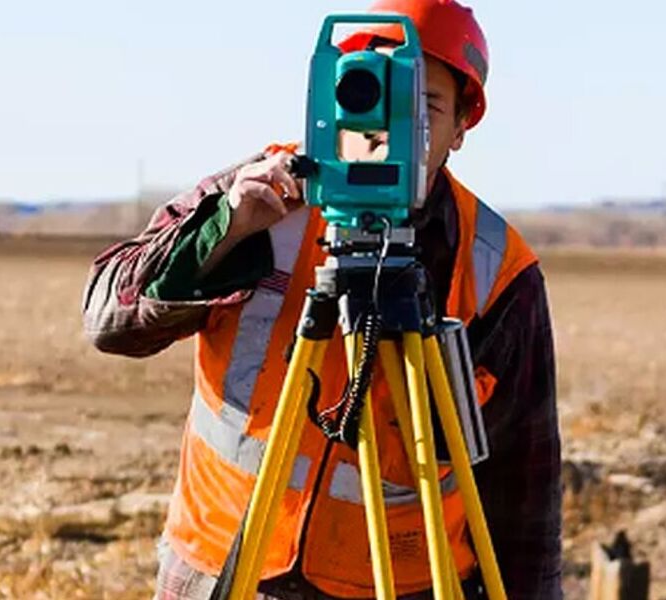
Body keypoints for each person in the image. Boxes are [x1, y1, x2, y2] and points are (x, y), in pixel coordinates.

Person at [82, 1, 562, 598]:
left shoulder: (493, 266)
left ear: (463, 126)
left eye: (425, 105)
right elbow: (108, 318)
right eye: (373, 92)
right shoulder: (262, 195)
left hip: (400, 583)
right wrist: (226, 231)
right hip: (224, 570)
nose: (390, 126)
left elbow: (525, 491)